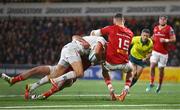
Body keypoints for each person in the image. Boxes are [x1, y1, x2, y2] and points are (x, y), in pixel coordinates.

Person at [91, 13, 134, 102]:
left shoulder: (111, 28)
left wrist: (92, 33)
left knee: (104, 70)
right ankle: (125, 89)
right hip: (124, 63)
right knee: (131, 70)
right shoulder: (130, 33)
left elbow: (95, 33)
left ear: (114, 20)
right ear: (124, 21)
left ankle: (111, 88)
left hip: (110, 63)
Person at [146, 15, 176, 93]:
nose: (162, 21)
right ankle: (151, 83)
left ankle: (159, 84)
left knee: (161, 70)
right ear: (159, 20)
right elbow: (154, 36)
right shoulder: (155, 28)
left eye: (164, 20)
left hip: (164, 53)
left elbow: (174, 39)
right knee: (152, 66)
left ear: (166, 21)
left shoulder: (169, 28)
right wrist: (150, 39)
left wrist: (166, 40)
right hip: (155, 51)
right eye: (161, 19)